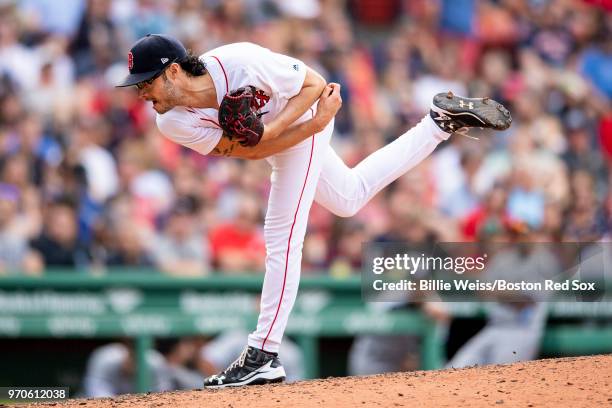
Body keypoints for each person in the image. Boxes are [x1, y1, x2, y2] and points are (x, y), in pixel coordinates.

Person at [116, 34, 511, 388]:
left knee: (282, 236)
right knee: (348, 197)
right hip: (286, 135)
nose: (141, 94)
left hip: (306, 113)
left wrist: (308, 123)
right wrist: (269, 133)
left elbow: (316, 86)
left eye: (146, 82)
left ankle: (263, 353)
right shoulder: (171, 123)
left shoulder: (239, 61)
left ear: (171, 72)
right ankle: (439, 122)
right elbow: (251, 149)